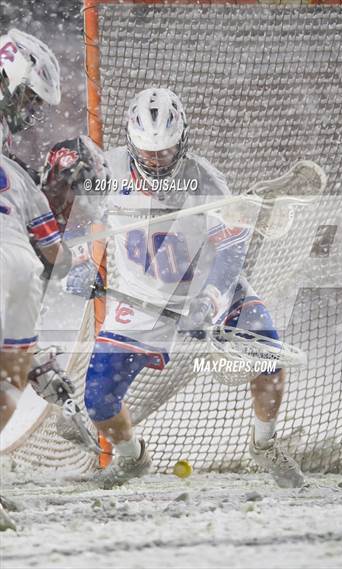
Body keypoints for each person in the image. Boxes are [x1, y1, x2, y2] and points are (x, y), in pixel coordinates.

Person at [72, 87, 304, 489]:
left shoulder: (206, 180)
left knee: (269, 353)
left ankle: (264, 444)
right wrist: (81, 264)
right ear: (131, 143)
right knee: (97, 401)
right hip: (142, 295)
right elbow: (82, 219)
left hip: (207, 285)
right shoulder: (106, 171)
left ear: (183, 140)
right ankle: (132, 459)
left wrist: (210, 302)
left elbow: (231, 252)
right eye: (147, 152)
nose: (156, 160)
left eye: (165, 150)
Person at [0, 29, 71, 530]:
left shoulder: (17, 174)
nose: (26, 110)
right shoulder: (20, 177)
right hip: (14, 272)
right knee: (10, 376)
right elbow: (55, 257)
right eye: (26, 96)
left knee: (13, 372)